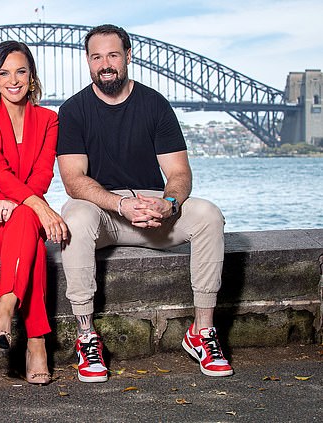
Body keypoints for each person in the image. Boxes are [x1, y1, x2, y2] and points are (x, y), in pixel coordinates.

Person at [56, 24, 234, 383]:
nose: (105, 64)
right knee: (75, 216)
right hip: (106, 214)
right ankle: (86, 336)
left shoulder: (154, 104)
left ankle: (202, 331)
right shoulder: (74, 110)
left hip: (154, 214)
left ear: (128, 57)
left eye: (113, 55)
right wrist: (120, 204)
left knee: (208, 214)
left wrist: (169, 202)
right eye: (96, 57)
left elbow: (180, 173)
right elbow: (74, 180)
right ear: (88, 62)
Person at [0, 41, 68, 385]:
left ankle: (5, 310)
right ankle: (37, 342)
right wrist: (36, 204)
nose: (14, 80)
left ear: (32, 76)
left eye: (21, 71)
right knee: (35, 241)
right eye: (4, 73)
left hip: (20, 217)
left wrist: (25, 203)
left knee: (29, 231)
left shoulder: (48, 119)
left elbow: (42, 174)